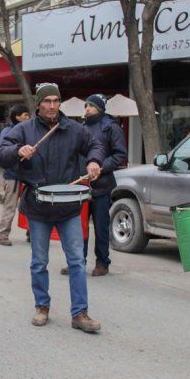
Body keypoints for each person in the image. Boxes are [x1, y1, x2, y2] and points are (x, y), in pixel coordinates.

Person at [0, 83, 105, 333]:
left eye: (56, 101)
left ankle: (80, 313)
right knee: (39, 261)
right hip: (38, 206)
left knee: (77, 261)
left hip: (68, 206)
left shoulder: (73, 129)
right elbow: (2, 153)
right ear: (38, 103)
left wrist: (94, 161)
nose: (52, 106)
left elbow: (95, 146)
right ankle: (41, 306)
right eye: (47, 101)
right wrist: (17, 150)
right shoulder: (24, 130)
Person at [61, 94, 127, 276]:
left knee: (101, 227)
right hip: (80, 186)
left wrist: (100, 167)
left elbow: (120, 155)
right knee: (78, 226)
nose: (87, 109)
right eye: (86, 106)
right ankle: (77, 261)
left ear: (100, 108)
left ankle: (102, 263)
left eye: (91, 106)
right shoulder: (81, 128)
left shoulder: (111, 128)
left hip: (102, 185)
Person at [0, 104, 31, 246]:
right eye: (25, 115)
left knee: (32, 205)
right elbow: (3, 152)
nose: (28, 118)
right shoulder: (8, 131)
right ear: (17, 117)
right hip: (12, 174)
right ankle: (3, 235)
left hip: (29, 173)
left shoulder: (29, 130)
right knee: (10, 205)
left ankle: (32, 233)